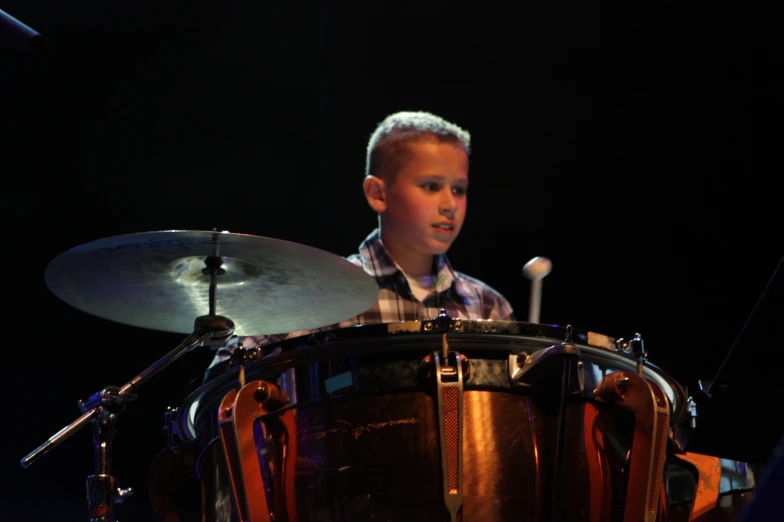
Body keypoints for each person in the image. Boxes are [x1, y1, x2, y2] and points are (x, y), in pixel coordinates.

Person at [204, 110, 515, 379]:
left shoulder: (488, 306)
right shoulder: (322, 294)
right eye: (431, 186)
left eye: (459, 190)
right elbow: (225, 383)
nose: (450, 204)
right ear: (377, 194)